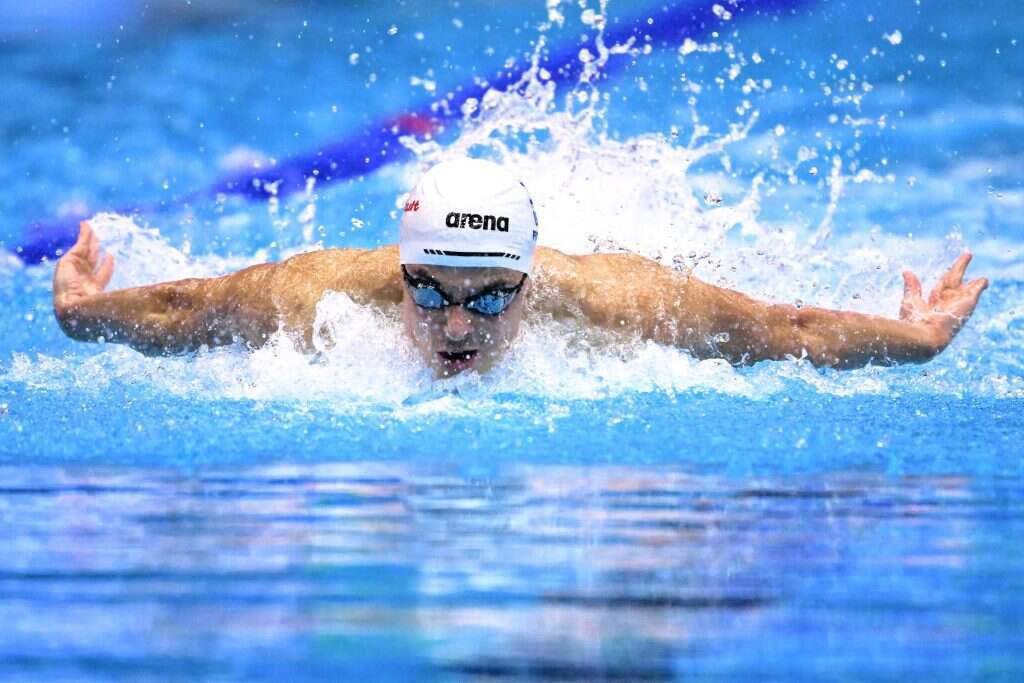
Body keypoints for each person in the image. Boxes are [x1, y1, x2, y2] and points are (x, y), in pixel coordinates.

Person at [52, 158, 989, 376]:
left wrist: (918, 338)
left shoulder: (619, 303)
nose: (457, 327)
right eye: (434, 293)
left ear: (530, 283)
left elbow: (786, 330)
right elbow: (192, 306)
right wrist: (84, 312)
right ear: (403, 272)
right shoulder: (326, 295)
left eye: (492, 296)